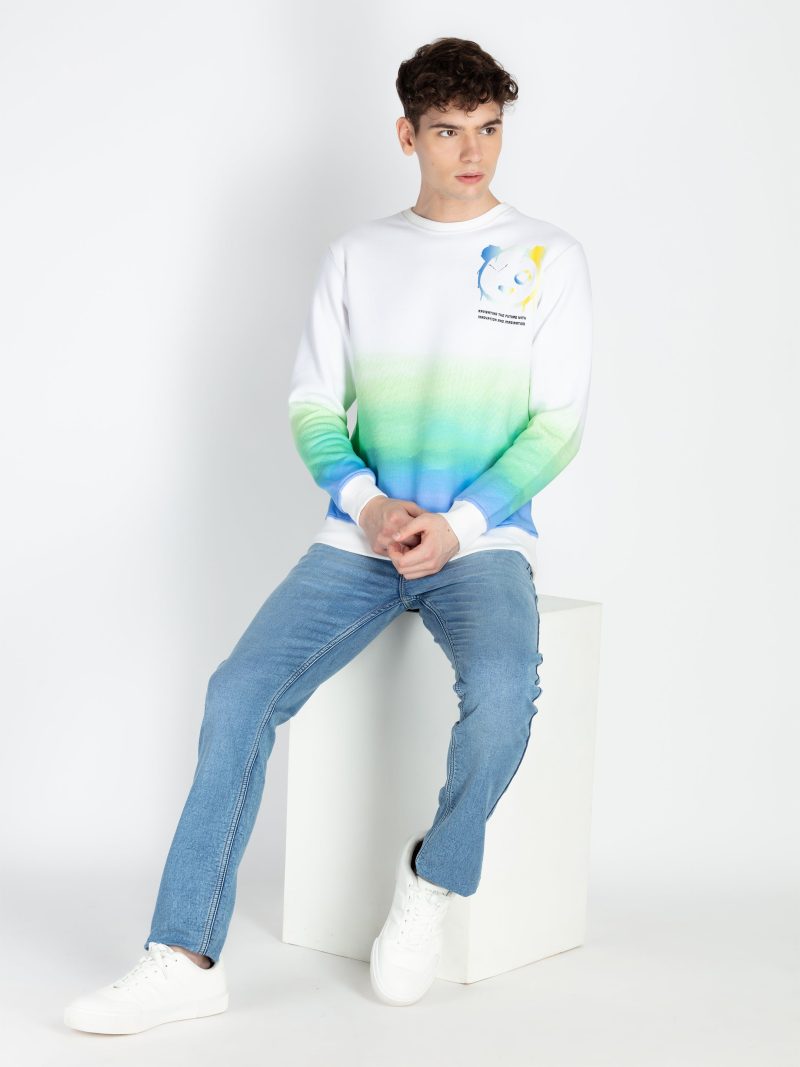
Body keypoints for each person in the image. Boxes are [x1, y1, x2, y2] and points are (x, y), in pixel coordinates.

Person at [64, 35, 592, 1034]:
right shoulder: (359, 255)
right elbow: (313, 403)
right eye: (448, 131)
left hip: (481, 543)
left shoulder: (546, 257)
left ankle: (432, 879)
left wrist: (457, 524)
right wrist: (370, 505)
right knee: (237, 692)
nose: (472, 152)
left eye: (488, 129)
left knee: (503, 695)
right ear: (406, 134)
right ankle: (184, 955)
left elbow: (556, 424)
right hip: (360, 541)